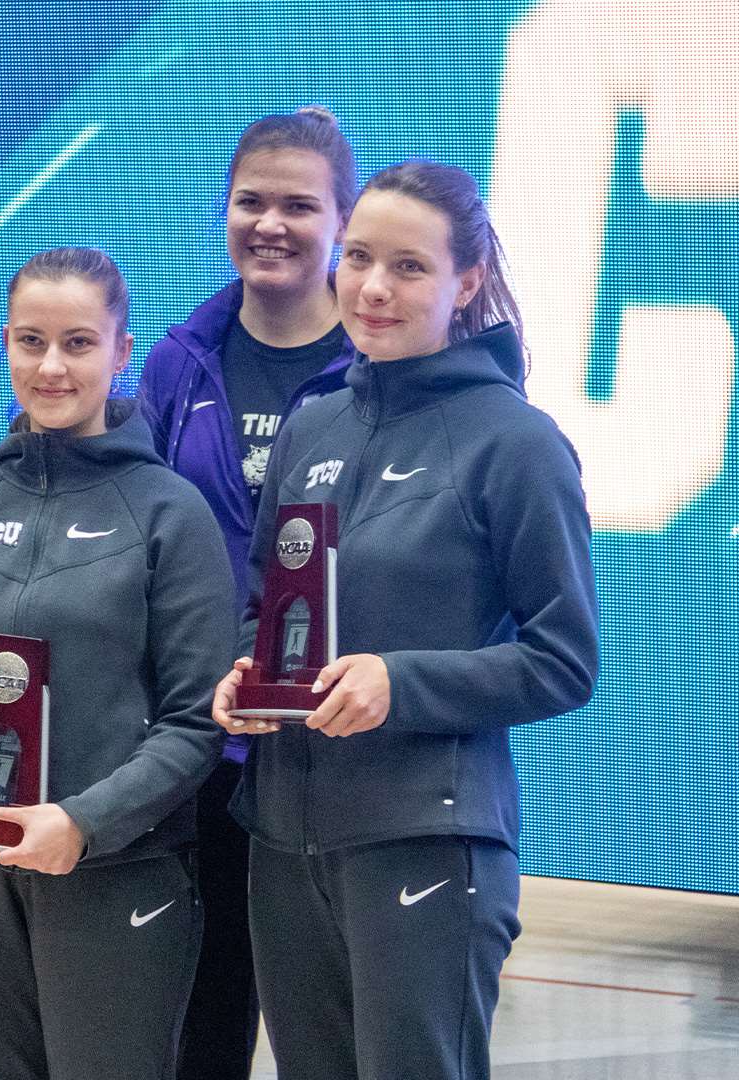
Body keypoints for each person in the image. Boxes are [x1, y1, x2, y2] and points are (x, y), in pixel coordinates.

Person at [213, 160, 599, 1080]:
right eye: (358, 259)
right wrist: (243, 674)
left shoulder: (516, 442)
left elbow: (564, 659)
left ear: (466, 283)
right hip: (283, 839)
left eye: (410, 267)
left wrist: (401, 681)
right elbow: (269, 604)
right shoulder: (315, 424)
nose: (373, 288)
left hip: (426, 840)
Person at [0, 247, 231, 1080]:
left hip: (112, 872)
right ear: (6, 345)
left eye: (78, 342)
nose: (52, 365)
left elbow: (193, 724)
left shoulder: (169, 512)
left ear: (121, 352)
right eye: (31, 341)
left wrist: (85, 822)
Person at [135, 105, 358, 1079]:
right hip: (200, 744)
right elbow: (130, 539)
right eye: (251, 201)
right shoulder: (177, 364)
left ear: (342, 221)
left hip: (336, 748)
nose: (271, 224)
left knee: (331, 1021)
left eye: (299, 206)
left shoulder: (382, 369)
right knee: (202, 1013)